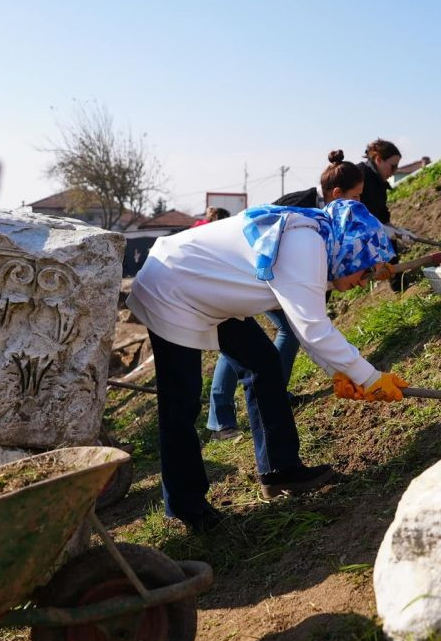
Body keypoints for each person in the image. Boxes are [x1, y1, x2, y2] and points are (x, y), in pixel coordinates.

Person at [126, 160, 408, 533]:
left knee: (263, 364)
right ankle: (186, 506)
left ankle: (280, 470)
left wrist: (339, 373)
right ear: (350, 251)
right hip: (172, 285)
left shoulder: (317, 239)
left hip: (209, 288)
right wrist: (370, 377)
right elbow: (314, 328)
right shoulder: (305, 246)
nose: (365, 279)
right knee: (181, 402)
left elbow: (305, 326)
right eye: (365, 269)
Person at [205, 152, 344, 442]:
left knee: (285, 330)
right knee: (233, 333)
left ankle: (273, 395)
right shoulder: (300, 204)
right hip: (244, 272)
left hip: (269, 276)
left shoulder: (325, 215)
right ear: (336, 193)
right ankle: (220, 420)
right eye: (354, 196)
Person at [357, 139, 408, 291]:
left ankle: (399, 287)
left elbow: (383, 216)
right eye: (393, 166)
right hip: (356, 233)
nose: (394, 171)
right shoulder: (360, 175)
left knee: (391, 246)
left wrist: (399, 232)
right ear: (379, 160)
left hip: (374, 231)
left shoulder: (379, 183)